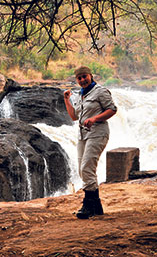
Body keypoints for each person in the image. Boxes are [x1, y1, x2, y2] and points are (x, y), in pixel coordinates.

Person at [63, 66, 117, 219]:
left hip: (98, 133)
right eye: (79, 78)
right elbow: (74, 117)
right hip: (82, 135)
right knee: (82, 169)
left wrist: (95, 118)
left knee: (87, 167)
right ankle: (97, 207)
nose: (82, 80)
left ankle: (88, 205)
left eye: (84, 76)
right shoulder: (79, 95)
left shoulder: (100, 91)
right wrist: (66, 100)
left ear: (90, 76)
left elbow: (112, 109)